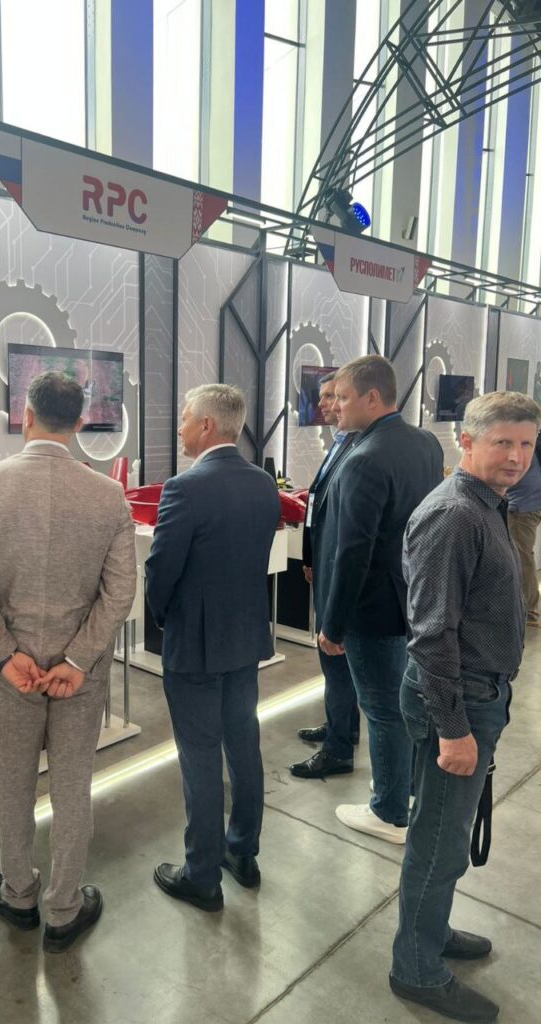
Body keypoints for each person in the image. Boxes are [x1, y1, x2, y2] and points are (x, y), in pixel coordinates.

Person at [0, 372, 136, 953]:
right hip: (79, 678)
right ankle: (64, 908)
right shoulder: (107, 495)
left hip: (11, 675)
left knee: (13, 784)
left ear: (25, 416)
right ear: (79, 422)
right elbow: (120, 593)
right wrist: (78, 660)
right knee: (73, 787)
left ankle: (18, 894)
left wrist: (6, 655)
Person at [390, 392, 540, 1023]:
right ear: (468, 442)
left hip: (480, 694)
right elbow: (431, 635)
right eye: (503, 442)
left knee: (444, 834)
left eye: (527, 444)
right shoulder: (454, 515)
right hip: (458, 700)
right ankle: (416, 968)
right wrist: (454, 730)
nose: (517, 457)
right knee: (439, 841)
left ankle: (431, 929)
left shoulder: (489, 505)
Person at [145, 384, 281, 911]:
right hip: (245, 637)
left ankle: (201, 875)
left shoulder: (185, 488)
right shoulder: (262, 483)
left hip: (196, 645)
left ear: (205, 425)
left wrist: (164, 619)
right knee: (243, 744)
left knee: (200, 756)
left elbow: (161, 569)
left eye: (184, 419)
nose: (179, 428)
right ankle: (242, 851)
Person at [316, 355, 442, 844]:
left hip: (371, 608)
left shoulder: (364, 458)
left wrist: (333, 623)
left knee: (383, 708)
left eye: (343, 398)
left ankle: (389, 811)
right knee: (403, 703)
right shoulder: (425, 442)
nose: (336, 406)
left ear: (372, 398)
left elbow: (354, 552)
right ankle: (403, 790)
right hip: (410, 596)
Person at [291, 371, 361, 778]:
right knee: (334, 667)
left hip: (338, 570)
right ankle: (342, 727)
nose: (325, 405)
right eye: (323, 397)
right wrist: (310, 556)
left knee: (336, 661)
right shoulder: (339, 442)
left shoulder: (358, 449)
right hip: (323, 564)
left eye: (334, 396)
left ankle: (338, 750)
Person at [506, 431, 541, 627]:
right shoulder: (530, 443)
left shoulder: (517, 446)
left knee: (522, 557)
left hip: (522, 506)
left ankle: (530, 612)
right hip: (532, 502)